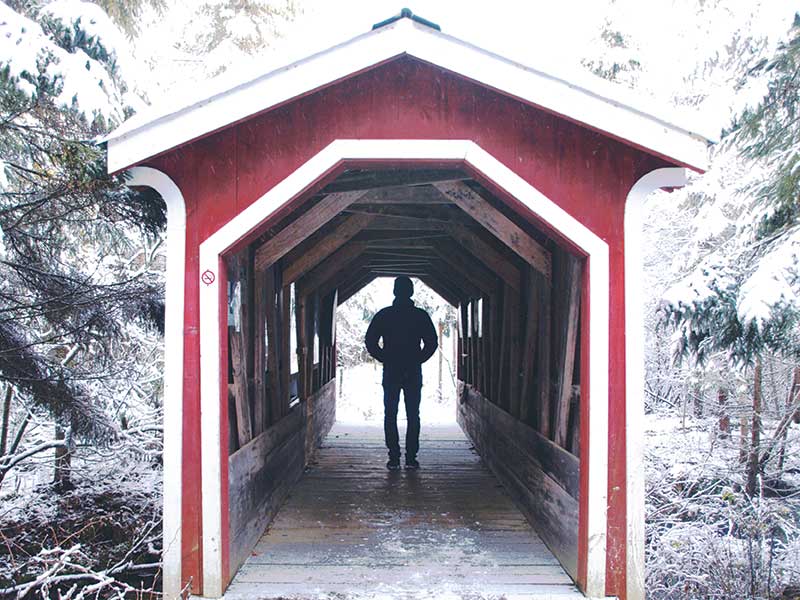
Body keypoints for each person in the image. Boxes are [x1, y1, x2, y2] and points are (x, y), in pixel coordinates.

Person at [365, 276, 438, 470]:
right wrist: (418, 359)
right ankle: (411, 458)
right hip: (413, 370)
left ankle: (394, 458)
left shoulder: (384, 315)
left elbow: (370, 341)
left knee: (391, 414)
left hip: (391, 370)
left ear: (395, 292)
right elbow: (431, 343)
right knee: (413, 415)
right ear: (411, 292)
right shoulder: (420, 316)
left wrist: (385, 357)